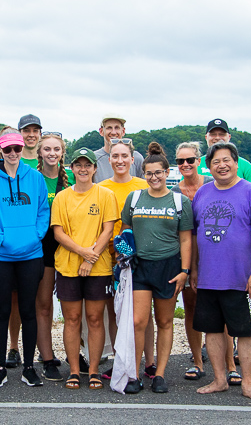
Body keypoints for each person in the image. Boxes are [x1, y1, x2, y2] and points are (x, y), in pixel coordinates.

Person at [192, 141, 251, 401]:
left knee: (246, 332)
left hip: (241, 278)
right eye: (216, 162)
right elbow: (194, 235)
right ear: (209, 166)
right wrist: (193, 269)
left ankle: (247, 383)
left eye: (226, 160)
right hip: (208, 277)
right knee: (212, 330)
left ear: (236, 163)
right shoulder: (203, 193)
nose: (222, 165)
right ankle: (219, 379)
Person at [0, 129, 50, 388]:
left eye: (17, 149)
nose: (12, 153)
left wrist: (35, 236)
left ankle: (29, 367)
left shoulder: (35, 178)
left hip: (31, 254)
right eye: (7, 149)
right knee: (3, 311)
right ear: (0, 150)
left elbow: (43, 212)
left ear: (23, 149)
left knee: (28, 310)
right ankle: (0, 368)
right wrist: (1, 238)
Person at [118, 142, 193, 394]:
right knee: (138, 321)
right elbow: (125, 229)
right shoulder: (135, 197)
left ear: (167, 172)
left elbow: (185, 239)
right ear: (143, 174)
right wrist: (123, 247)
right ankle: (135, 374)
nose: (154, 177)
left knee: (164, 321)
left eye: (158, 172)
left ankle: (159, 374)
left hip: (169, 266)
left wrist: (185, 271)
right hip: (140, 266)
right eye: (149, 173)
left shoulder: (179, 201)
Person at [51, 147, 118, 390]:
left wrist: (90, 259)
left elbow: (108, 229)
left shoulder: (105, 195)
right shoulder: (62, 197)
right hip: (68, 266)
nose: (82, 169)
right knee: (72, 319)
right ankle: (74, 371)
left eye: (87, 165)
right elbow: (58, 232)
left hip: (98, 267)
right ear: (72, 168)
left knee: (94, 319)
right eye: (78, 165)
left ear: (94, 168)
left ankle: (93, 370)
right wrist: (82, 254)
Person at [96, 139, 155, 384]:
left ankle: (149, 362)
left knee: (145, 314)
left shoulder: (143, 185)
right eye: (115, 156)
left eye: (124, 156)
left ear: (133, 160)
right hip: (112, 258)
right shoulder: (101, 187)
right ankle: (119, 359)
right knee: (116, 311)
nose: (120, 160)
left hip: (142, 258)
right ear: (109, 160)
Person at [171, 141, 219, 383]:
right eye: (180, 161)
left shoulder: (212, 186)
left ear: (199, 161)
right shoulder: (175, 193)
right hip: (188, 258)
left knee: (218, 309)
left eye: (190, 160)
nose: (186, 164)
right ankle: (198, 360)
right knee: (190, 308)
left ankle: (228, 364)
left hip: (215, 256)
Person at [35, 133, 74, 381]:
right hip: (44, 245)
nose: (52, 153)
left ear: (62, 153)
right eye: (47, 149)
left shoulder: (72, 177)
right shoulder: (34, 179)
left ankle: (75, 352)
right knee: (44, 304)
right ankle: (47, 357)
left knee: (72, 306)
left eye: (56, 149)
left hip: (70, 243)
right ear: (39, 152)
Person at [93, 114, 144, 182]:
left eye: (117, 128)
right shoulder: (94, 159)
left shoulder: (137, 158)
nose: (113, 132)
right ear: (101, 131)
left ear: (123, 131)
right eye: (109, 128)